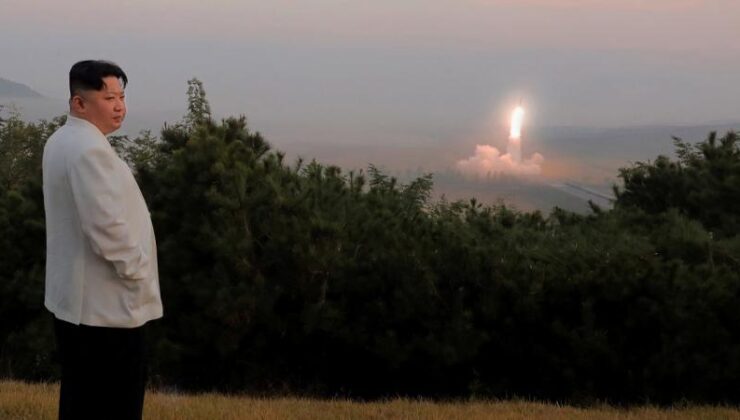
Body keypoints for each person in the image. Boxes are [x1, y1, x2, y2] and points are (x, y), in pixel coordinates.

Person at [42, 60, 163, 420]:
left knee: (82, 400)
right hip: (105, 310)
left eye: (122, 96)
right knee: (115, 404)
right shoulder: (88, 150)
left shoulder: (62, 140)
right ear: (79, 103)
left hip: (79, 305)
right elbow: (107, 229)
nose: (119, 106)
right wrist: (137, 271)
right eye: (109, 97)